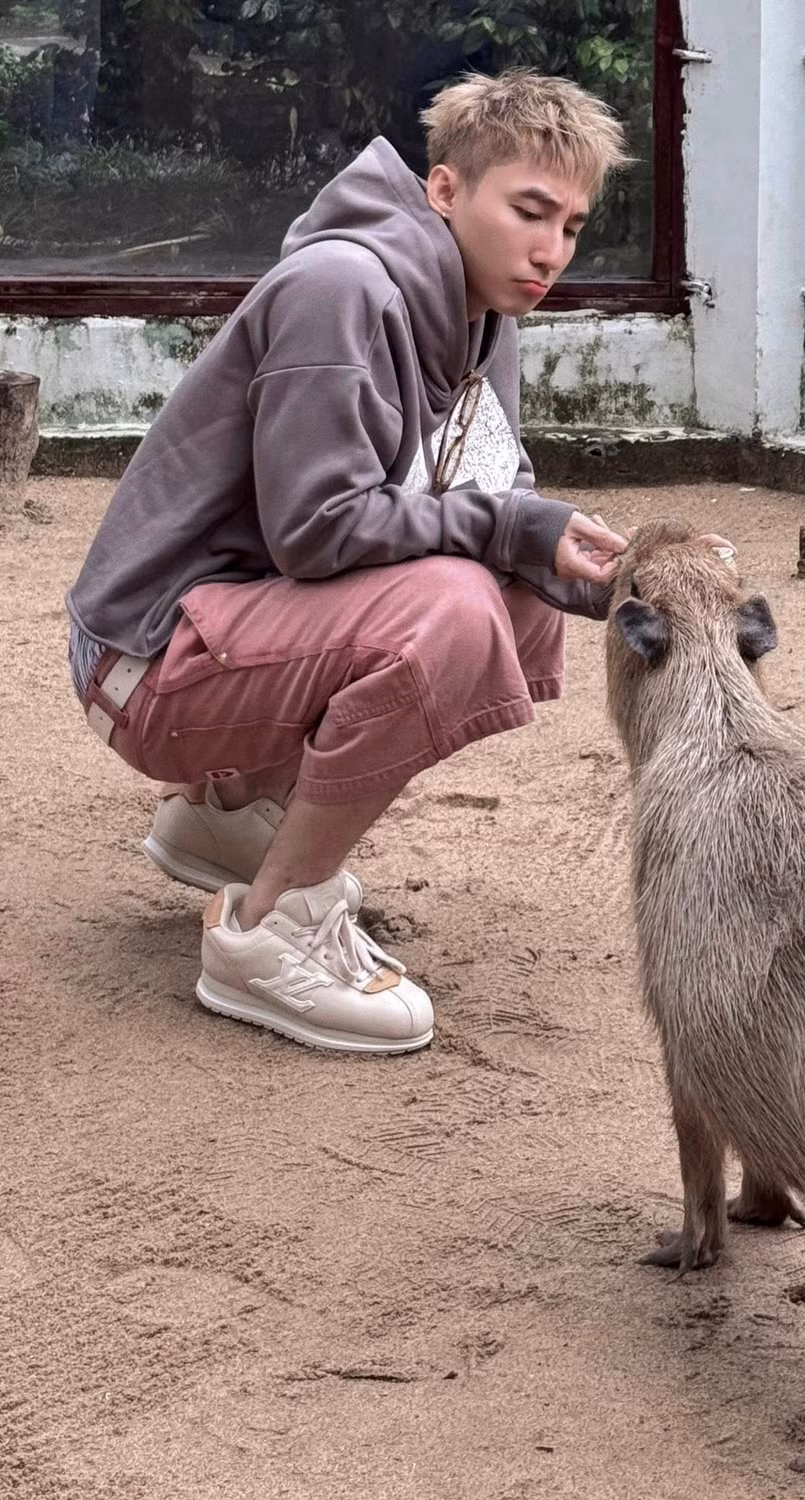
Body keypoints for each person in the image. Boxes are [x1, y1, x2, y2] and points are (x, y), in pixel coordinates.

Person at [65, 70, 635, 1056]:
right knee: (455, 609)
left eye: (573, 225)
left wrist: (590, 569)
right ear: (447, 190)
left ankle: (235, 815)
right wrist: (511, 531)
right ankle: (268, 931)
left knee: (512, 595)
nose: (552, 252)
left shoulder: (483, 311)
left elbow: (489, 497)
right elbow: (319, 530)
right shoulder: (343, 290)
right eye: (529, 211)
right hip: (143, 660)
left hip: (241, 627)